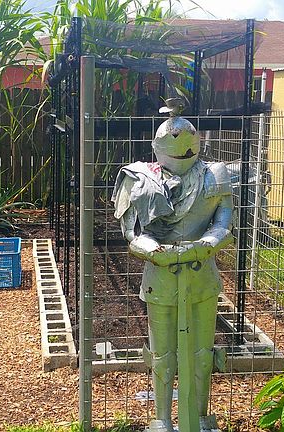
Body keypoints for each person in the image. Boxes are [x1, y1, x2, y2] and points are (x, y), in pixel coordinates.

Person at [112, 99, 234, 432]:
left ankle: (201, 418)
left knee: (202, 353)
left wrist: (203, 245)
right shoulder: (138, 177)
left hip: (201, 270)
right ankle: (162, 419)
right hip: (160, 272)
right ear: (157, 147)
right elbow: (131, 231)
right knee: (162, 354)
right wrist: (155, 250)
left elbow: (223, 222)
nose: (181, 153)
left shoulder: (215, 174)